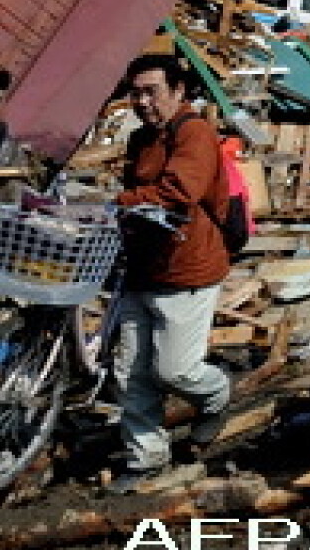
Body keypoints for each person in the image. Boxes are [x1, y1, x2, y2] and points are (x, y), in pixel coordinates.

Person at [111, 54, 232, 491]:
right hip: (143, 268)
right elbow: (135, 191)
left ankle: (217, 397)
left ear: (178, 91)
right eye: (135, 92)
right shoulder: (141, 139)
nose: (142, 101)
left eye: (151, 92)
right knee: (130, 370)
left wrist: (119, 204)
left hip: (188, 268)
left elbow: (180, 191)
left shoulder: (193, 132)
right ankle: (145, 458)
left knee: (175, 371)